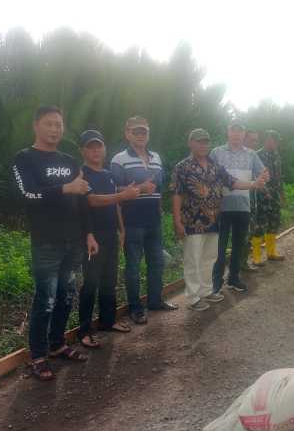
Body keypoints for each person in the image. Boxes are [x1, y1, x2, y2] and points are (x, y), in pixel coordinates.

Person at [12, 106, 97, 381]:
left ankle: (58, 343)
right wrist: (64, 188)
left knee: (66, 297)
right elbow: (27, 194)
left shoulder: (70, 161)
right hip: (46, 242)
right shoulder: (24, 158)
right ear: (36, 125)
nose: (55, 129)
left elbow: (82, 199)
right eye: (49, 124)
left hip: (73, 240)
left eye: (59, 124)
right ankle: (38, 355)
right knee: (45, 300)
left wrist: (89, 233)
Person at [171, 129, 268, 311]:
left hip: (214, 220)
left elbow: (232, 182)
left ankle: (207, 291)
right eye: (199, 142)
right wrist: (177, 221)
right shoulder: (182, 167)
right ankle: (193, 297)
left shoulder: (214, 166)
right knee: (193, 259)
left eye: (206, 142)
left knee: (210, 257)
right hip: (192, 222)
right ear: (190, 143)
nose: (203, 145)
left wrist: (254, 184)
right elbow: (176, 195)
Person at [111, 116, 177, 325]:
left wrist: (160, 213)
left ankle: (155, 301)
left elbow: (159, 189)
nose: (140, 135)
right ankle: (135, 308)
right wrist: (139, 189)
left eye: (144, 132)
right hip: (132, 221)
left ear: (148, 134)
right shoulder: (119, 159)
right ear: (127, 134)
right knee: (133, 266)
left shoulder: (156, 157)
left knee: (156, 263)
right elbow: (113, 190)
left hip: (153, 221)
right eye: (136, 132)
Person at [77, 130, 140, 348]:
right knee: (91, 283)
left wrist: (122, 230)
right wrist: (122, 195)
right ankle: (84, 330)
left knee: (109, 281)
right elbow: (91, 201)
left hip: (112, 234)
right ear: (83, 151)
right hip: (92, 236)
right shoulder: (81, 174)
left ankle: (107, 320)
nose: (95, 150)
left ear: (104, 149)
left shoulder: (108, 174)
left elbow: (115, 205)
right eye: (90, 147)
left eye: (99, 146)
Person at [210, 119, 268, 294]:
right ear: (228, 132)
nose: (236, 134)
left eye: (239, 131)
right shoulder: (216, 152)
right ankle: (216, 282)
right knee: (218, 247)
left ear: (244, 134)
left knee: (238, 245)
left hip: (243, 206)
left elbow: (264, 173)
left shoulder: (251, 154)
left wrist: (263, 179)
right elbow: (209, 175)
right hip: (221, 207)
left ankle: (233, 278)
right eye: (233, 131)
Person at [251, 130, 285, 264]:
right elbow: (255, 177)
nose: (276, 143)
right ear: (266, 140)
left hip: (275, 195)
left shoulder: (277, 155)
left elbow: (279, 176)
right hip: (261, 196)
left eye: (277, 141)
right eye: (273, 140)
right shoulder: (257, 155)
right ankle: (257, 257)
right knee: (260, 225)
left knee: (274, 222)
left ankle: (271, 253)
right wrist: (265, 191)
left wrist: (282, 194)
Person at [242, 129, 262, 271]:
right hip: (238, 203)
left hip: (252, 201)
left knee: (249, 232)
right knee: (241, 234)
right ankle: (236, 266)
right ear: (244, 139)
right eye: (252, 140)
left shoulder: (253, 156)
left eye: (256, 140)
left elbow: (261, 174)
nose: (254, 143)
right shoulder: (240, 156)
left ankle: (243, 263)